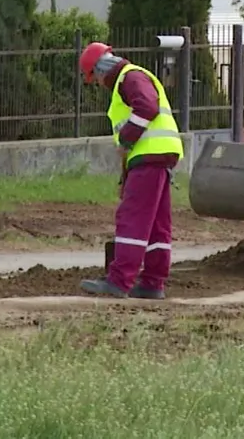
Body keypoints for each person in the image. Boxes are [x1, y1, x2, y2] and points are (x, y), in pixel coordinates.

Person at [75, 41, 184, 300]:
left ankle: (119, 281)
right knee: (157, 225)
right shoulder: (133, 77)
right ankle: (152, 283)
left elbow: (147, 107)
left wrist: (125, 139)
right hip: (159, 156)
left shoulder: (129, 78)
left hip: (148, 157)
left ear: (100, 72)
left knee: (132, 218)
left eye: (95, 79)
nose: (99, 85)